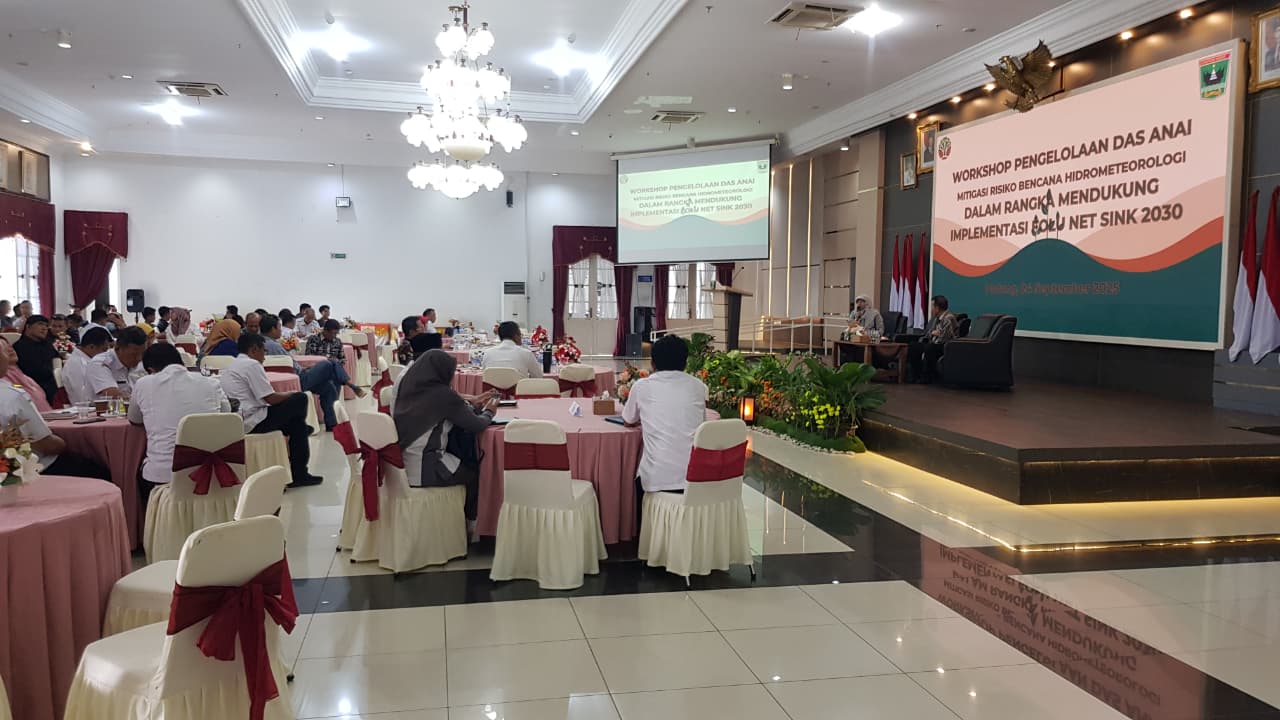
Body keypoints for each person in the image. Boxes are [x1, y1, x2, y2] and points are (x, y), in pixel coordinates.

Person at [394, 349, 497, 522]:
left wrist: (470, 404)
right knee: (475, 474)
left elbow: (450, 410)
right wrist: (489, 411)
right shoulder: (442, 395)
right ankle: (470, 524)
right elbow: (476, 425)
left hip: (401, 465)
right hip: (426, 467)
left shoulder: (408, 389)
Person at [129, 343, 231, 509]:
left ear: (151, 369)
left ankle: (154, 526)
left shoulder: (144, 384)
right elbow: (227, 414)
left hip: (163, 474)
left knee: (135, 473)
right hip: (210, 470)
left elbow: (134, 419)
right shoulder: (210, 383)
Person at [220, 333, 322, 487]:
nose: (264, 357)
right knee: (300, 399)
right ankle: (300, 474)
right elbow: (270, 398)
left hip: (238, 419)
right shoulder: (251, 365)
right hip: (254, 420)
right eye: (264, 351)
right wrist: (291, 394)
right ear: (254, 349)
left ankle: (300, 472)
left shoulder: (232, 365)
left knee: (297, 426)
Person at [0, 338, 109, 480]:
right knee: (99, 470)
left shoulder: (14, 385)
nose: (8, 354)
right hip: (29, 467)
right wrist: (67, 444)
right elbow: (47, 445)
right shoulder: (11, 395)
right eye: (4, 351)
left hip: (12, 466)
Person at [622, 334, 708, 497]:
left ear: (653, 363)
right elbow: (702, 426)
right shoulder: (698, 386)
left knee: (636, 482)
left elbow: (628, 420)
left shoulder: (642, 386)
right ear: (685, 362)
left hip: (657, 480)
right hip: (696, 478)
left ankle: (646, 522)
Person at [262, 314, 362, 430]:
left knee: (329, 388)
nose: (281, 330)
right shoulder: (274, 346)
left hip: (298, 374)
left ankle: (332, 424)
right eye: (279, 327)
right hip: (298, 379)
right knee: (329, 363)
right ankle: (351, 385)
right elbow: (292, 363)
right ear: (273, 329)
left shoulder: (263, 343)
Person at [907, 295, 958, 384]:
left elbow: (943, 338)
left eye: (932, 307)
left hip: (947, 347)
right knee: (913, 346)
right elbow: (929, 334)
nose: (931, 309)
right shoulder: (936, 319)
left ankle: (927, 377)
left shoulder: (948, 318)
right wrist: (934, 333)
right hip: (934, 343)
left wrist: (936, 333)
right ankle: (915, 375)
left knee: (930, 348)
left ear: (937, 308)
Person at [86, 325, 148, 399]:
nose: (139, 358)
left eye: (143, 353)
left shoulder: (139, 364)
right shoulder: (100, 363)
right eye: (133, 354)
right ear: (118, 348)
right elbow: (113, 395)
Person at [13, 315, 59, 404]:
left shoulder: (47, 345)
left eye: (46, 325)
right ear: (28, 327)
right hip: (30, 388)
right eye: (40, 324)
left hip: (51, 386)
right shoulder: (19, 347)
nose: (44, 328)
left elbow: (57, 361)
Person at [62, 327, 113, 405]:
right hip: (85, 409)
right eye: (104, 350)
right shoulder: (76, 364)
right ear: (91, 347)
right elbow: (83, 397)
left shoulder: (91, 360)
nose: (106, 354)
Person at [1, 338, 52, 412]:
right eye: (4, 348)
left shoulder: (26, 378)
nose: (10, 349)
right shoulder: (3, 382)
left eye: (9, 345)